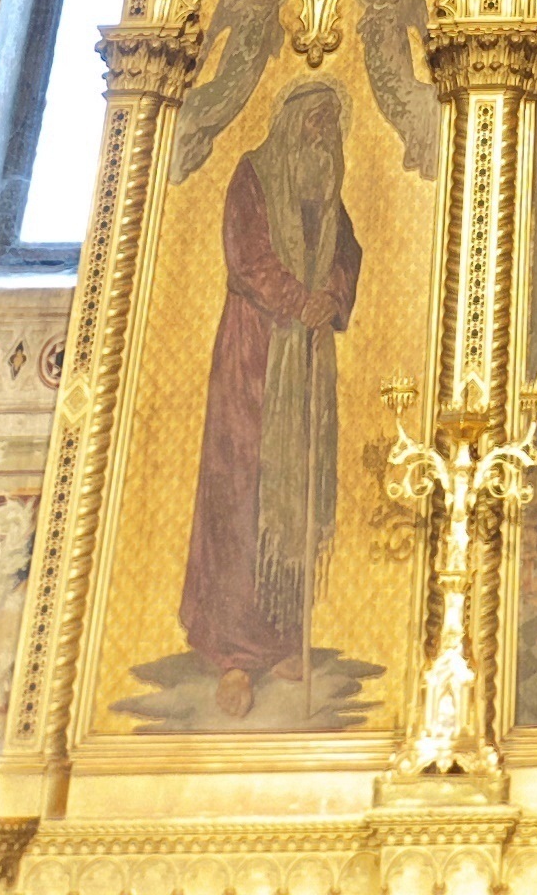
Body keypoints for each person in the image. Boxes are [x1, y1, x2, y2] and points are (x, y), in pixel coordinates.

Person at [182, 82, 361, 714]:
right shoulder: (255, 176)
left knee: (295, 491)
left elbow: (346, 253)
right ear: (291, 124)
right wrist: (298, 302)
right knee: (244, 493)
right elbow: (247, 259)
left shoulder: (325, 191)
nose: (323, 135)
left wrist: (330, 299)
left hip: (306, 359)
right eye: (315, 122)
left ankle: (283, 637)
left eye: (331, 125)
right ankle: (233, 654)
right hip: (255, 358)